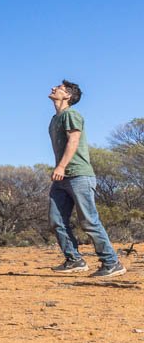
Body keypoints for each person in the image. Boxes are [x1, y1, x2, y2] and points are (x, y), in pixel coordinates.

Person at [47, 80, 126, 277]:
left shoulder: (71, 114)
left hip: (78, 175)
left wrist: (62, 166)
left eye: (59, 88)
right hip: (61, 178)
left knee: (89, 221)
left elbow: (74, 140)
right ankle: (74, 260)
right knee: (56, 219)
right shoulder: (54, 119)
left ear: (67, 96)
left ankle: (111, 262)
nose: (53, 88)